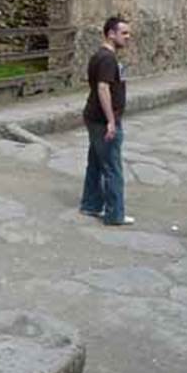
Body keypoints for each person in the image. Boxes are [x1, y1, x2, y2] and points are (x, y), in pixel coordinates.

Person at [79, 16, 133, 226]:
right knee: (112, 167)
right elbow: (103, 88)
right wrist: (111, 121)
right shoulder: (107, 58)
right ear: (111, 34)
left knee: (95, 162)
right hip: (102, 120)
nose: (128, 37)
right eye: (124, 33)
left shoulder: (101, 56)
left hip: (94, 116)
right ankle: (114, 214)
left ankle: (91, 204)